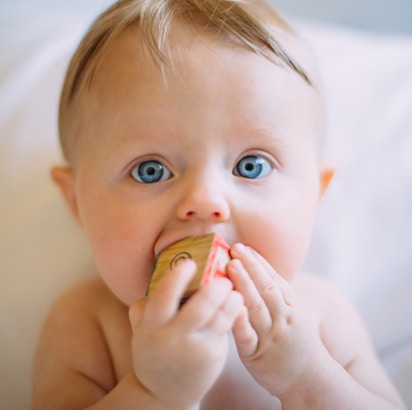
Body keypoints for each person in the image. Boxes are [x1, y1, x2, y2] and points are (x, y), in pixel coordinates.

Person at [31, 0, 405, 408]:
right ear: (76, 202)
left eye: (251, 165)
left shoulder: (320, 316)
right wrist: (153, 392)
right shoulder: (87, 323)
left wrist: (308, 377)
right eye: (150, 170)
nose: (205, 202)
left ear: (315, 195)